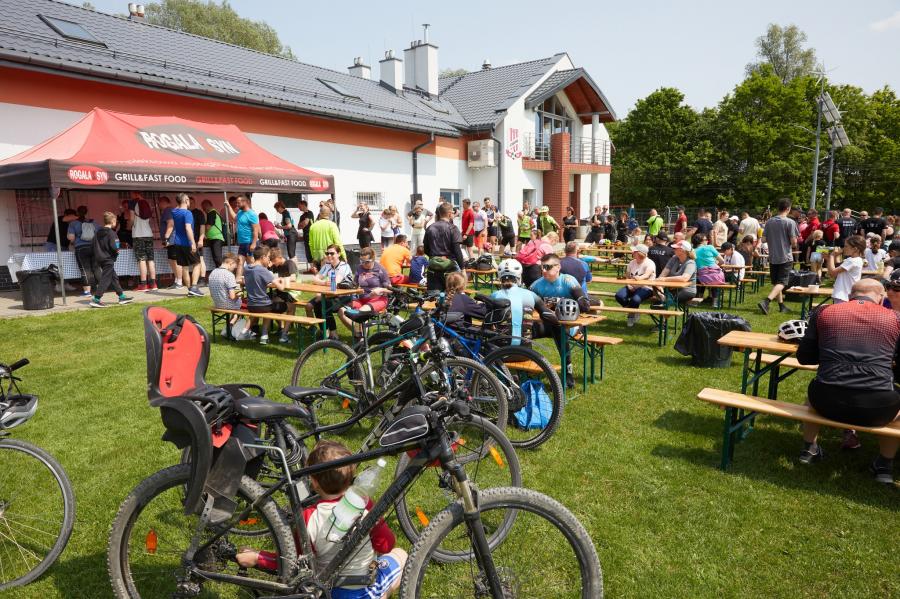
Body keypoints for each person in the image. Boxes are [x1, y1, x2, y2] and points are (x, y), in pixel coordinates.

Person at [235, 439, 407, 596]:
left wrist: (258, 557)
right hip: (360, 591)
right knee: (401, 554)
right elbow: (387, 545)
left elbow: (292, 562)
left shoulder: (309, 516)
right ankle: (382, 594)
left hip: (326, 592)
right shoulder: (365, 505)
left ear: (314, 482)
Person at [796, 279, 900, 484]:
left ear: (850, 296)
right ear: (881, 298)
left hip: (826, 400)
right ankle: (884, 465)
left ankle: (809, 449)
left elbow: (805, 357)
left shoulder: (823, 311)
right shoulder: (895, 318)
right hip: (878, 407)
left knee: (811, 396)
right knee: (897, 407)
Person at [529, 253, 591, 388]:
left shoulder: (568, 281)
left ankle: (568, 373)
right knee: (526, 330)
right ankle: (525, 369)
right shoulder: (537, 285)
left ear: (558, 267)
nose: (543, 270)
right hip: (548, 324)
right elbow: (527, 306)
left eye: (547, 267)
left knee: (558, 328)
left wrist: (558, 302)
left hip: (571, 325)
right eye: (541, 267)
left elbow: (585, 306)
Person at [491, 258, 552, 345]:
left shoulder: (494, 295)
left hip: (500, 349)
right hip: (525, 348)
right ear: (519, 277)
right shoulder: (531, 295)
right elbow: (547, 314)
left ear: (500, 278)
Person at [758, 198, 799, 315]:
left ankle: (781, 306)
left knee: (777, 283)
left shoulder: (769, 222)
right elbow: (794, 242)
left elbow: (763, 239)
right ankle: (766, 301)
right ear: (788, 209)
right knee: (782, 283)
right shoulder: (790, 222)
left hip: (773, 256)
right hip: (785, 256)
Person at [305, 244, 353, 339]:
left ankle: (333, 334)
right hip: (331, 294)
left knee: (324, 304)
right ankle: (324, 331)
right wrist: (323, 283)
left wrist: (322, 284)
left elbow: (335, 282)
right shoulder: (327, 265)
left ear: (338, 254)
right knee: (316, 304)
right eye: (327, 253)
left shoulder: (344, 266)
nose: (329, 255)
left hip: (345, 296)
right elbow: (315, 279)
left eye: (332, 253)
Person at [242, 247, 288, 344]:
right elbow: (281, 288)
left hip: (250, 305)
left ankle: (244, 331)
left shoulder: (247, 268)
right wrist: (283, 280)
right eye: (268, 257)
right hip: (263, 305)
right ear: (262, 257)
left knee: (263, 306)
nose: (269, 260)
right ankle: (264, 335)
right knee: (280, 306)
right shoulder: (263, 270)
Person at [86, 211, 133, 308]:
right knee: (106, 279)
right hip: (108, 259)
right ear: (113, 221)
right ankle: (96, 299)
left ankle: (121, 296)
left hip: (100, 258)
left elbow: (92, 246)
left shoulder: (97, 233)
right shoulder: (112, 233)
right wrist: (117, 251)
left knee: (113, 277)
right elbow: (115, 246)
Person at [342, 247, 390, 333]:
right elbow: (355, 284)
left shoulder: (380, 269)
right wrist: (346, 286)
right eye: (361, 261)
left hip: (378, 299)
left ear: (373, 259)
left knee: (361, 313)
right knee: (342, 311)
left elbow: (389, 289)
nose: (363, 264)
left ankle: (362, 338)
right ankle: (357, 334)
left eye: (367, 262)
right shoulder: (359, 268)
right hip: (361, 299)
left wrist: (380, 290)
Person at [166, 193, 204, 296]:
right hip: (187, 243)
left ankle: (190, 290)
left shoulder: (174, 212)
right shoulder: (187, 213)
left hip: (177, 243)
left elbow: (177, 207)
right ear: (186, 200)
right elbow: (188, 228)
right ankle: (194, 287)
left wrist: (180, 202)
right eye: (188, 200)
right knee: (197, 263)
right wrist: (192, 243)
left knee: (184, 267)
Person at [423, 202, 465, 292]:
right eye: (453, 212)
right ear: (449, 214)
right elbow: (457, 250)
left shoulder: (430, 228)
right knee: (453, 296)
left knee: (434, 297)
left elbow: (425, 249)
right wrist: (463, 269)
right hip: (450, 268)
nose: (453, 214)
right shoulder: (453, 228)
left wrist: (436, 257)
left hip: (433, 268)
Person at [615, 244, 656, 324]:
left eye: (634, 251)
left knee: (635, 300)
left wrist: (639, 278)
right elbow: (627, 276)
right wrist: (628, 284)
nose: (632, 252)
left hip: (646, 287)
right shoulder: (632, 262)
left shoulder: (650, 263)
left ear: (640, 253)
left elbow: (647, 275)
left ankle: (631, 315)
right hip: (631, 286)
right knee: (619, 296)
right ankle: (634, 311)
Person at [208, 253, 245, 338]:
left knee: (238, 304)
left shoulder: (213, 272)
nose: (235, 268)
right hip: (228, 304)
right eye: (234, 266)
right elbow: (232, 297)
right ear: (231, 263)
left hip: (217, 303)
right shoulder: (229, 275)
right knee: (243, 306)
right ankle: (229, 327)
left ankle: (228, 328)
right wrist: (239, 294)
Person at [225, 195, 259, 280]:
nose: (237, 204)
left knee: (251, 262)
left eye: (238, 203)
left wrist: (254, 243)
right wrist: (228, 206)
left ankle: (256, 278)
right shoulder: (240, 212)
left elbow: (256, 230)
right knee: (240, 261)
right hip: (242, 243)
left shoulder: (252, 214)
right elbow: (234, 218)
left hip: (249, 242)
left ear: (245, 202)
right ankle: (237, 281)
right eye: (236, 203)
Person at [67, 205, 98, 296]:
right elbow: (99, 234)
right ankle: (100, 288)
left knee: (85, 269)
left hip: (81, 248)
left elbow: (71, 237)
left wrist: (73, 242)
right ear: (86, 212)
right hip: (94, 247)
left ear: (77, 212)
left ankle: (87, 291)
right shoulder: (93, 222)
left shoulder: (73, 223)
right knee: (96, 268)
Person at [656, 241, 697, 306]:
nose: (673, 249)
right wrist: (659, 284)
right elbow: (663, 273)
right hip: (672, 288)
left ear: (682, 251)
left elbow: (684, 278)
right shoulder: (674, 258)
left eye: (675, 248)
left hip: (687, 290)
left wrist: (664, 279)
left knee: (666, 302)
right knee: (656, 288)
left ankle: (663, 302)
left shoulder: (691, 263)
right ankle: (663, 301)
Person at [826, 235, 865, 303]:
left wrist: (831, 256)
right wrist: (829, 258)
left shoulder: (852, 261)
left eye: (846, 246)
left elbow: (832, 273)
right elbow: (835, 271)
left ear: (855, 249)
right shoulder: (853, 259)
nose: (844, 248)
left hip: (843, 295)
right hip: (846, 294)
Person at [131, 194, 157, 291]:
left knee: (141, 259)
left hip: (138, 234)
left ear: (135, 194)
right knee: (150, 259)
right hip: (148, 234)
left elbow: (131, 219)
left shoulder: (133, 203)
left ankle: (143, 284)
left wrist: (131, 226)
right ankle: (153, 284)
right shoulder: (147, 203)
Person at [693, 233, 725, 304]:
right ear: (701, 241)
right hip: (717, 276)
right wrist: (715, 266)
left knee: (701, 278)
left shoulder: (693, 251)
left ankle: (699, 299)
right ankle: (715, 303)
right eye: (706, 239)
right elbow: (722, 261)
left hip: (702, 276)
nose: (707, 241)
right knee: (714, 278)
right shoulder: (710, 247)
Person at [159, 196, 182, 288]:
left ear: (163, 202)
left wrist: (166, 237)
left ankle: (179, 282)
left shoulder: (168, 210)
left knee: (175, 261)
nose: (158, 205)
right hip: (172, 240)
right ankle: (176, 280)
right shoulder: (170, 210)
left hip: (172, 240)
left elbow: (171, 224)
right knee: (172, 260)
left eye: (159, 203)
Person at [202, 199, 226, 269]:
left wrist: (203, 234)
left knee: (217, 258)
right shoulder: (215, 213)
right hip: (215, 238)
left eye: (204, 208)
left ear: (207, 206)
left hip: (216, 238)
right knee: (216, 258)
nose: (204, 210)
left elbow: (208, 227)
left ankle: (223, 271)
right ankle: (219, 271)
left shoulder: (211, 213)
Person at [189, 197, 207, 286]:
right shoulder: (187, 213)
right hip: (189, 241)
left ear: (194, 203)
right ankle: (197, 280)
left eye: (192, 202)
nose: (190, 204)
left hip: (197, 240)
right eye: (189, 203)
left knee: (200, 259)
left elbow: (202, 227)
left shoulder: (198, 213)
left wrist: (201, 239)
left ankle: (202, 279)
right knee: (195, 261)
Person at [297, 198, 314, 266]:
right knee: (307, 252)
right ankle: (311, 267)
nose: (298, 207)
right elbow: (298, 227)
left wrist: (302, 224)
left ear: (303, 205)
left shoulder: (309, 213)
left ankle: (314, 267)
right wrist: (303, 224)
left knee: (311, 251)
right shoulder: (302, 216)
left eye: (299, 206)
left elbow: (306, 223)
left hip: (310, 235)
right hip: (305, 236)